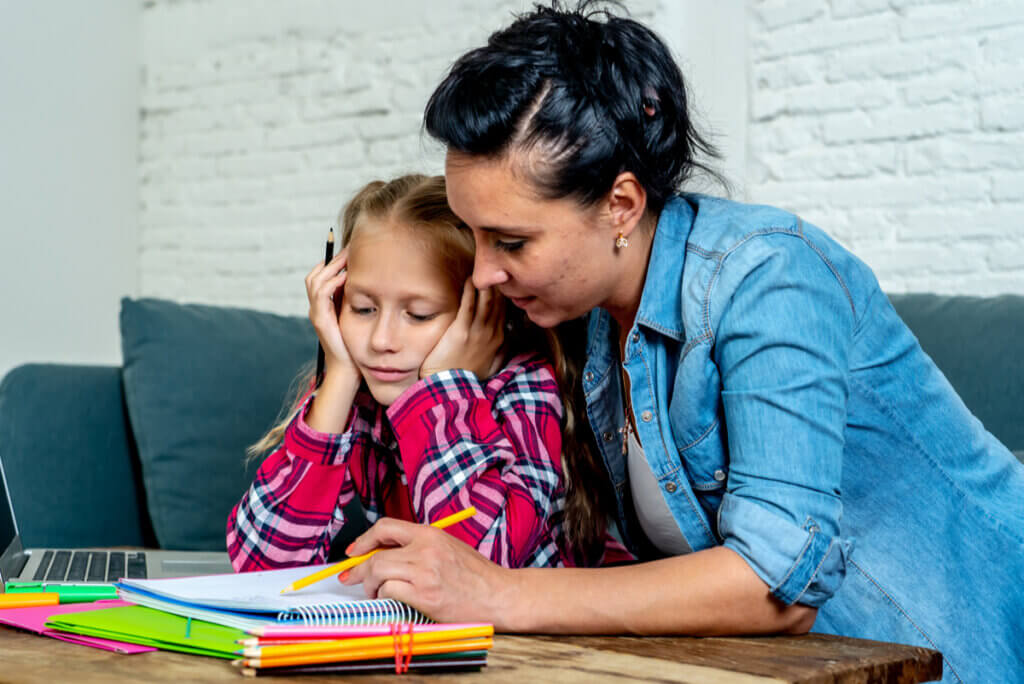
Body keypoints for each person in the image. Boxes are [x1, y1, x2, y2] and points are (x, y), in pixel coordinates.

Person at [336, 5, 1024, 683]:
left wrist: (497, 593)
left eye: (511, 241)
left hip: (948, 652)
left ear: (622, 206)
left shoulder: (769, 277)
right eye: (474, 233)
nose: (482, 273)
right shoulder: (581, 316)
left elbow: (772, 586)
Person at [226, 174, 628, 574]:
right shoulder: (362, 394)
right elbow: (261, 564)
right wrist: (340, 377)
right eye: (363, 309)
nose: (382, 340)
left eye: (419, 315)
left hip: (560, 629)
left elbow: (476, 569)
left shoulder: (525, 391)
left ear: (485, 311)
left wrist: (440, 389)